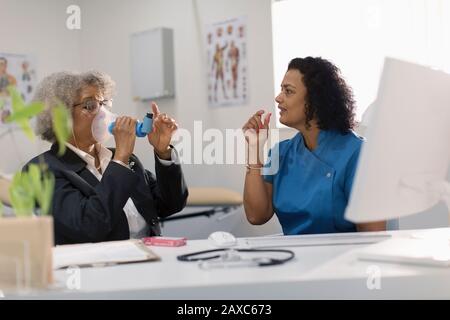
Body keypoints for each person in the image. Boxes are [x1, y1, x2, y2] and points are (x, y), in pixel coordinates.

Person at [26, 71, 188, 245]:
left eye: (103, 103)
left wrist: (163, 152)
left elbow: (171, 204)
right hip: (97, 268)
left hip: (149, 259)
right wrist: (120, 160)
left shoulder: (127, 159)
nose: (103, 114)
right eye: (90, 105)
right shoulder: (42, 169)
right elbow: (87, 227)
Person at [242, 57, 385, 235]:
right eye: (281, 90)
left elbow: (373, 235)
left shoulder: (358, 154)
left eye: (288, 91)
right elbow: (257, 215)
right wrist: (253, 149)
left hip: (340, 259)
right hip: (293, 258)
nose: (278, 98)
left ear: (315, 100)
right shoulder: (280, 152)